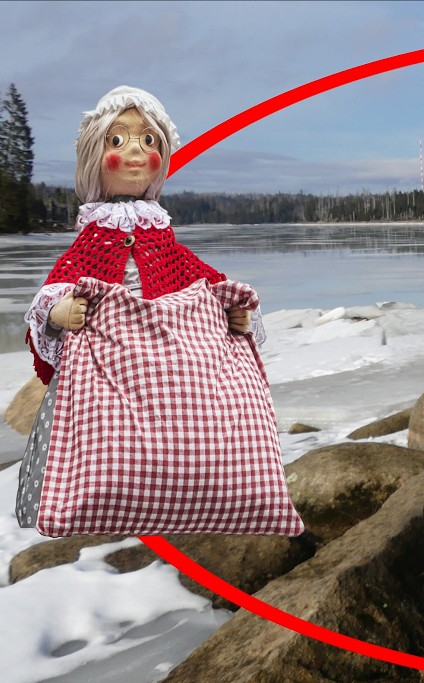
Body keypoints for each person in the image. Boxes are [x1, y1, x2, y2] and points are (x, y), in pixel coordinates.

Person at [15, 86, 290, 534]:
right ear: (94, 157)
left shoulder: (162, 241)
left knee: (187, 439)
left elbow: (204, 282)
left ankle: (189, 489)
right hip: (105, 379)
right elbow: (53, 291)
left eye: (148, 141)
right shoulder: (93, 240)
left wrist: (235, 314)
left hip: (168, 376)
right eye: (118, 141)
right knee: (97, 444)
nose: (136, 153)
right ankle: (89, 498)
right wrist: (59, 310)